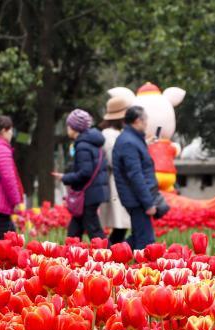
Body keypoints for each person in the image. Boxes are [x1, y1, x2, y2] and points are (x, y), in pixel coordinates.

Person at [53, 109, 109, 241]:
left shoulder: (83, 145)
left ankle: (110, 256)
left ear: (75, 128)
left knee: (94, 231)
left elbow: (85, 172)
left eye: (69, 125)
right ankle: (70, 254)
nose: (67, 128)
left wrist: (65, 178)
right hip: (93, 192)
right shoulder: (91, 142)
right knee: (75, 229)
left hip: (88, 195)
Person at [113, 106, 160, 250]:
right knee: (145, 241)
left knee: (139, 236)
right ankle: (109, 257)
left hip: (136, 197)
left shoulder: (132, 139)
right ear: (138, 121)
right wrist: (148, 203)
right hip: (136, 199)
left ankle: (109, 257)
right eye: (145, 120)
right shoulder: (129, 142)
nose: (147, 123)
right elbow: (135, 176)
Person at [100, 97, 131, 244]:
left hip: (117, 182)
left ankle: (114, 253)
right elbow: (114, 160)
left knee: (121, 225)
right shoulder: (109, 136)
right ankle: (112, 253)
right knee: (120, 225)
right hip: (115, 183)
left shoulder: (113, 134)